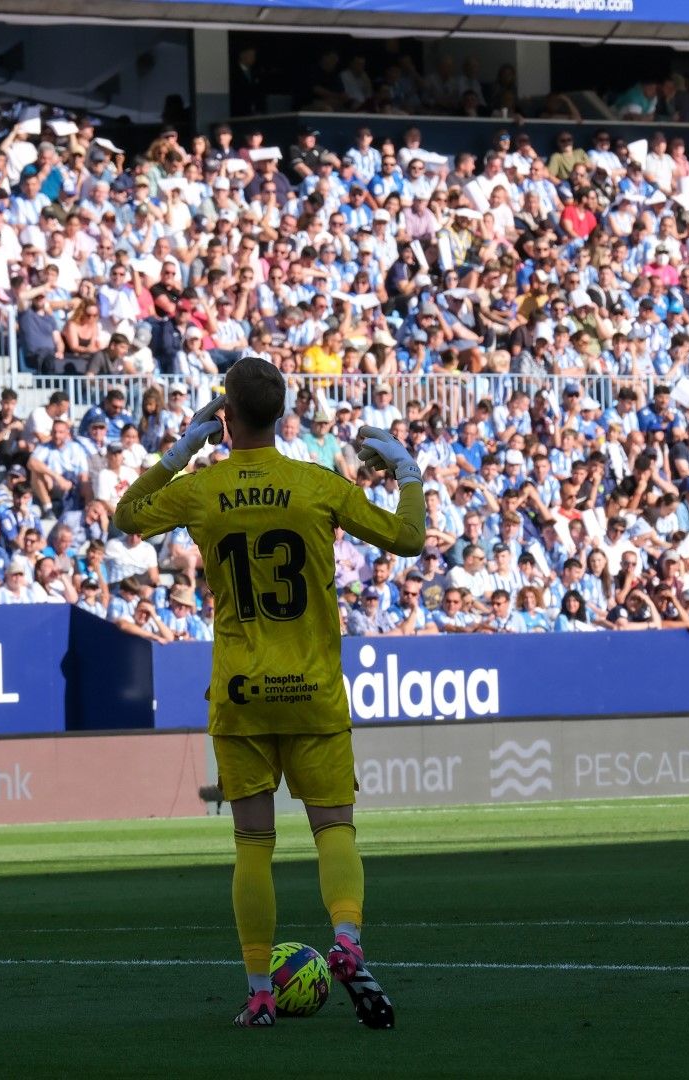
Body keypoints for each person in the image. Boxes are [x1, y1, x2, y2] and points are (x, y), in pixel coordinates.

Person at [114, 355, 423, 1029]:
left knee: (253, 845)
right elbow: (409, 538)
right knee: (333, 829)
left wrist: (179, 450)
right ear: (283, 416)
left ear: (225, 418)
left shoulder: (204, 488)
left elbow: (124, 518)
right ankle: (347, 940)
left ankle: (259, 993)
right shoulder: (317, 484)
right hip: (312, 688)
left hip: (241, 691)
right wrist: (405, 468)